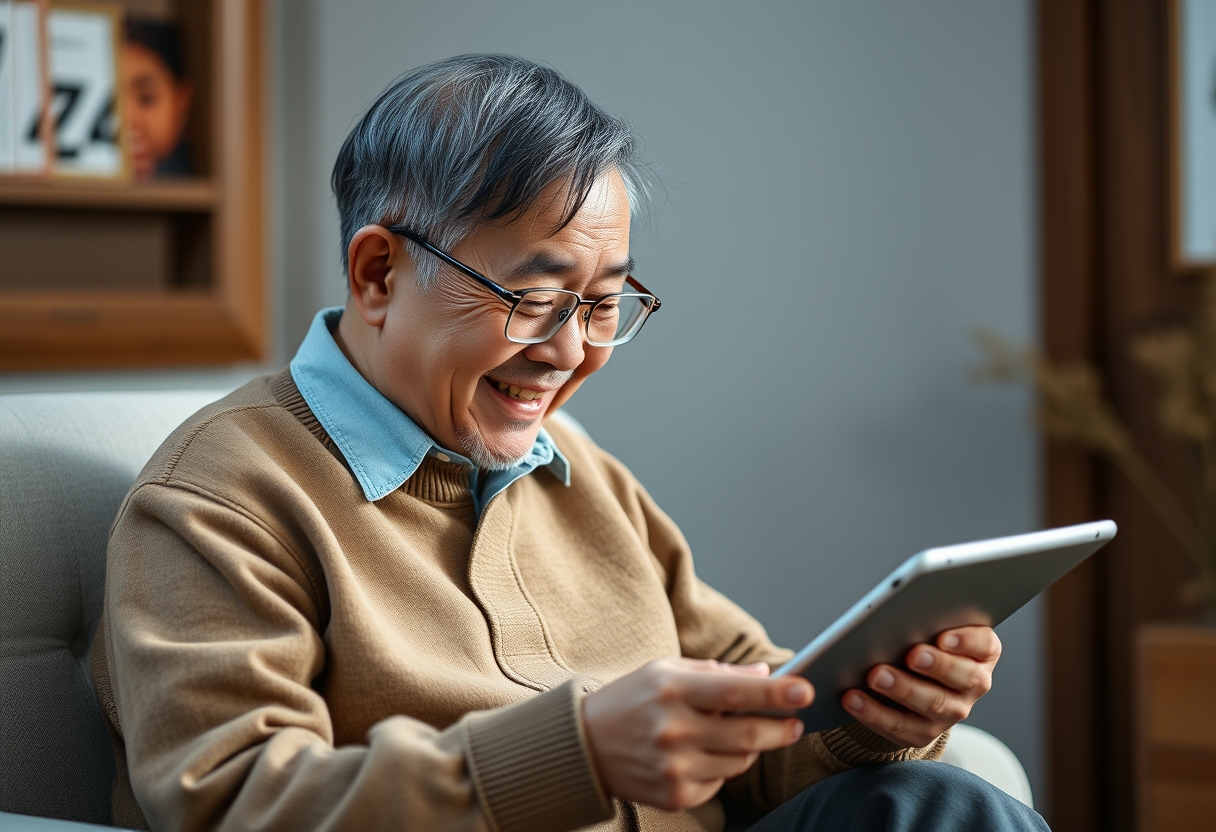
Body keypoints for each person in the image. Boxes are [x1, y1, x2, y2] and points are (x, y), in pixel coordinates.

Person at [92, 54, 1048, 831]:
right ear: (378, 274)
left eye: (602, 305)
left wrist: (871, 716)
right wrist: (576, 754)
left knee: (937, 802)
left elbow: (756, 726)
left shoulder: (577, 468)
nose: (570, 351)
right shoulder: (221, 495)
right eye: (536, 300)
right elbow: (232, 802)